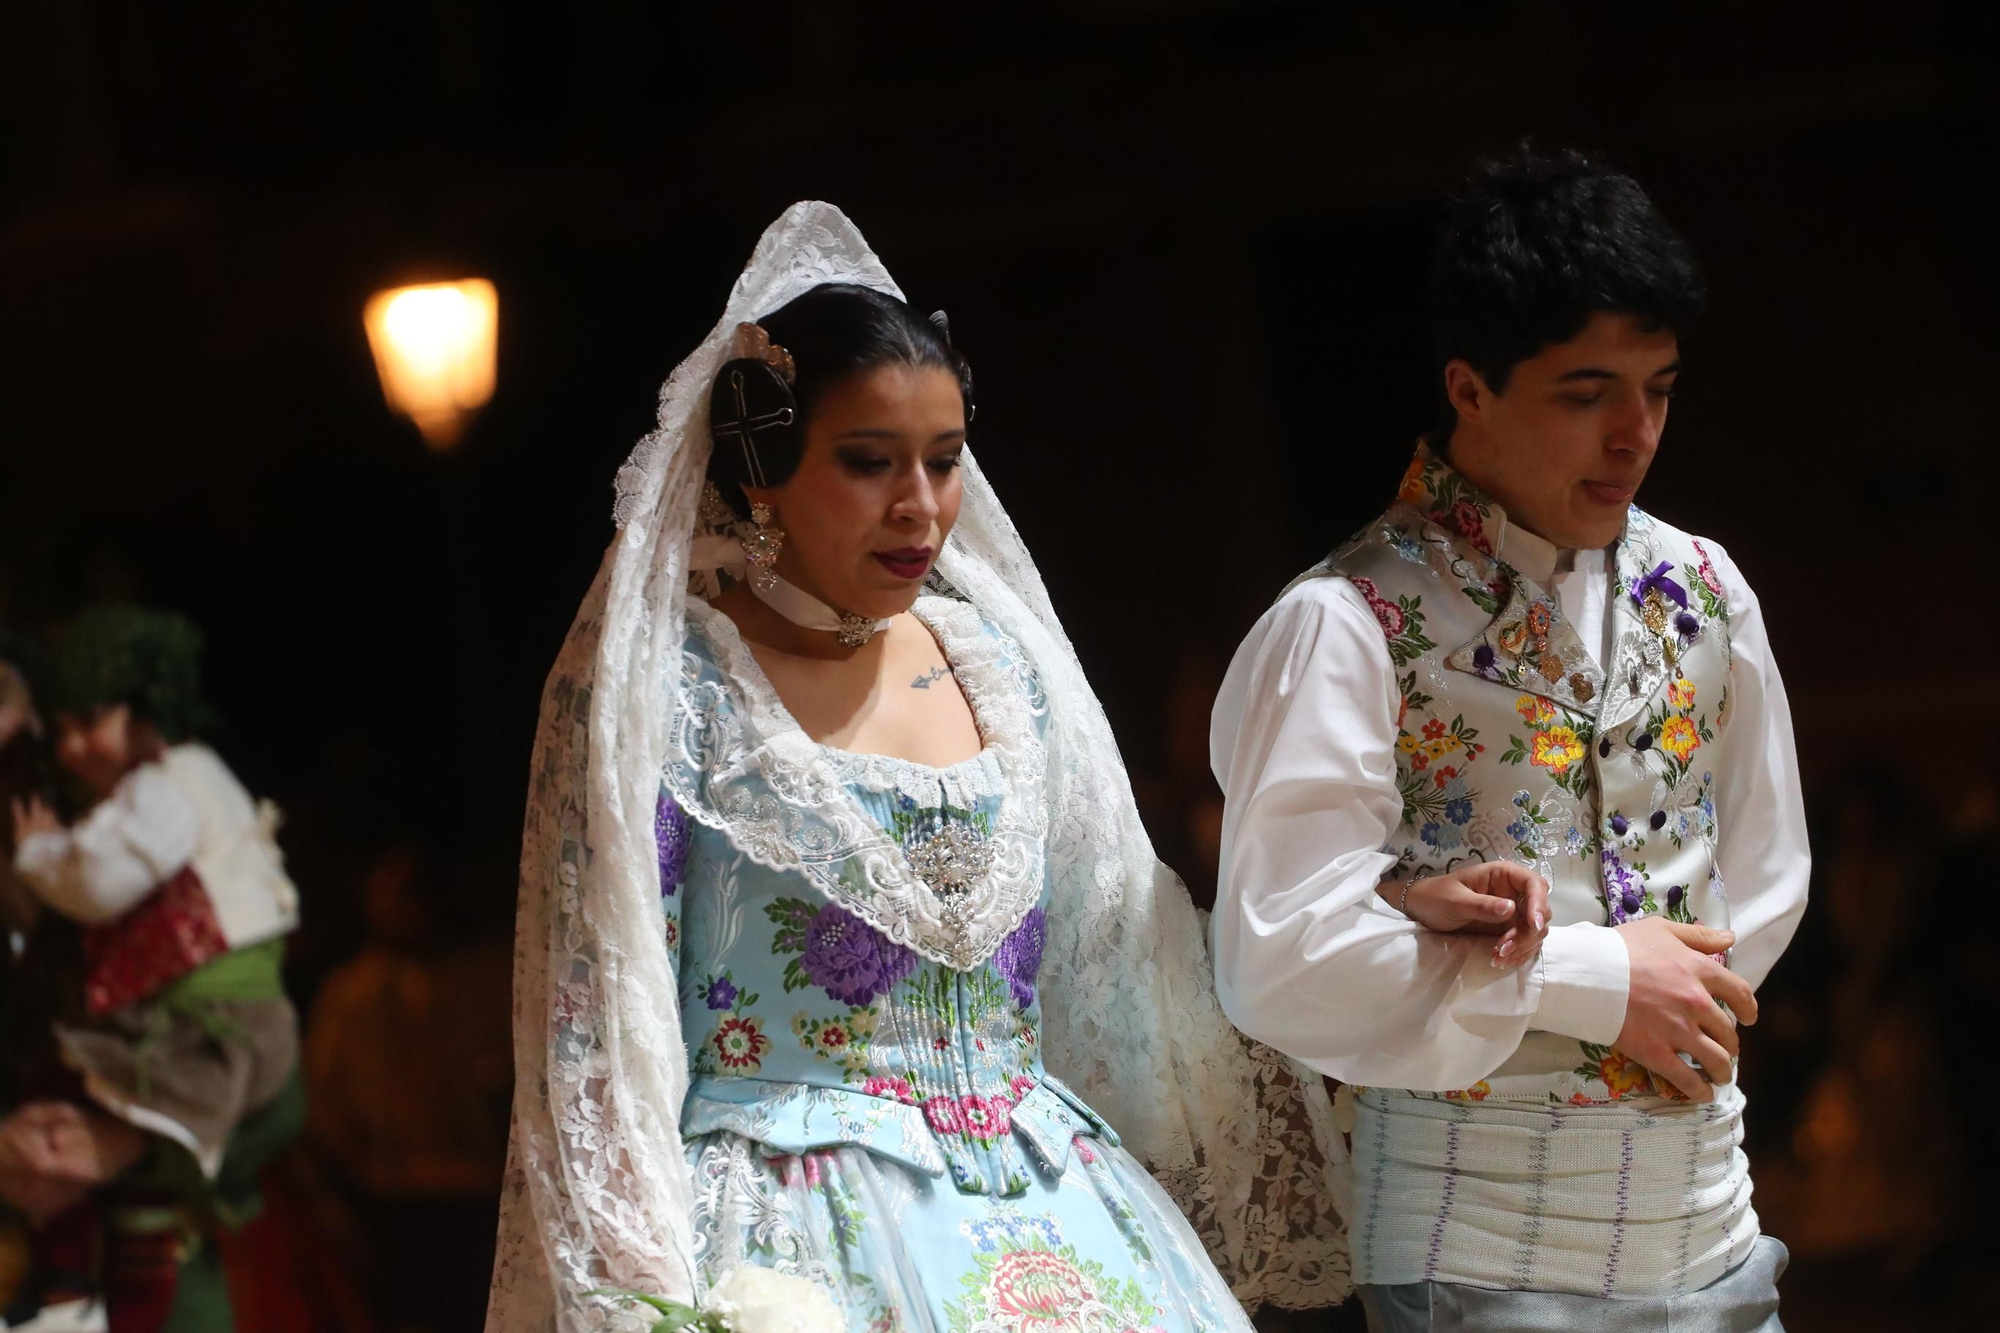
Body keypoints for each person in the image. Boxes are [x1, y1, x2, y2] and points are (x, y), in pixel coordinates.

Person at [487, 203, 1353, 1332]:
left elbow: (1130, 948)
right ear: (762, 468)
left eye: (942, 462)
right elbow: (595, 1033)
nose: (919, 507)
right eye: (866, 462)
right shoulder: (673, 691)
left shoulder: (1001, 664)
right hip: (786, 1254)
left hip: (1062, 1219)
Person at [1209, 148, 1809, 1330]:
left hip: (1712, 1225)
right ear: (1468, 387)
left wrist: (1676, 991)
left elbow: (1764, 873)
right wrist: (1592, 978)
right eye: (1584, 393)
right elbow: (1276, 960)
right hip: (1471, 1250)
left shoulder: (1703, 587)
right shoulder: (1344, 622)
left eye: (1659, 386)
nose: (1632, 433)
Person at [3, 607, 303, 1331]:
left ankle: (69, 1294)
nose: (71, 748)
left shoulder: (148, 792)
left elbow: (276, 1100)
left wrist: (128, 1142)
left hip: (184, 1054)